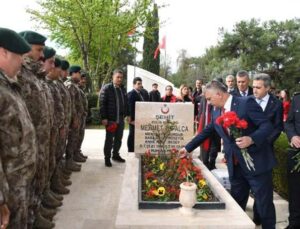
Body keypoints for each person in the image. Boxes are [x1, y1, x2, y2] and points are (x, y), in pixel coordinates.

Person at [180, 80, 276, 229]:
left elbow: (267, 126)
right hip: (235, 166)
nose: (209, 103)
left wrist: (251, 139)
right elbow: (208, 130)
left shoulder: (246, 103)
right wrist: (188, 148)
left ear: (219, 94)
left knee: (264, 206)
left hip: (257, 165)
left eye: (210, 99)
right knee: (236, 205)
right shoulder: (217, 111)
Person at [0, 27, 37, 229]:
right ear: (3, 52)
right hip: (7, 190)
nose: (22, 61)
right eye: (19, 56)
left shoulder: (8, 85)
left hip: (17, 185)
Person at [18, 31, 56, 228]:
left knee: (38, 177)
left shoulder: (33, 76)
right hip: (22, 148)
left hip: (38, 140)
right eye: (38, 50)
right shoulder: (20, 76)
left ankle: (35, 213)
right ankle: (32, 217)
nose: (42, 56)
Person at [252, 73, 284, 226]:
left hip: (265, 150)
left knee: (264, 189)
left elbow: (277, 127)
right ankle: (256, 215)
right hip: (248, 149)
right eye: (253, 87)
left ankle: (265, 220)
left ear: (267, 88)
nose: (255, 90)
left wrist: (263, 142)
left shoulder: (276, 104)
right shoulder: (249, 101)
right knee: (253, 187)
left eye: (258, 87)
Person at [99, 69, 129, 167]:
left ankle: (115, 155)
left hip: (120, 120)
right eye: (118, 77)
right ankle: (107, 158)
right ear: (113, 77)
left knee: (118, 139)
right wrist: (104, 117)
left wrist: (128, 114)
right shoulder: (107, 88)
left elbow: (126, 103)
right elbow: (102, 104)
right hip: (111, 120)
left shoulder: (123, 89)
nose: (120, 79)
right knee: (109, 140)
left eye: (121, 77)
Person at [284, 91, 300, 229]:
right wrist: (293, 136)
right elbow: (289, 123)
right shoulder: (297, 99)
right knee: (295, 190)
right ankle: (294, 223)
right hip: (295, 154)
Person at [65, 65, 84, 171]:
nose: (80, 75)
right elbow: (71, 103)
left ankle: (72, 159)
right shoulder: (70, 85)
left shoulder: (74, 85)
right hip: (73, 119)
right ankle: (68, 161)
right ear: (73, 73)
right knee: (71, 139)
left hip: (77, 117)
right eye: (78, 73)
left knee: (75, 139)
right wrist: (74, 117)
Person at [127, 77, 144, 152]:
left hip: (139, 118)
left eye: (141, 84)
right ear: (134, 85)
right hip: (133, 119)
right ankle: (130, 150)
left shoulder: (140, 93)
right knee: (132, 135)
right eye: (138, 84)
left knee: (135, 135)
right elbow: (130, 107)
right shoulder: (132, 94)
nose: (140, 85)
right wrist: (131, 119)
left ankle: (134, 149)